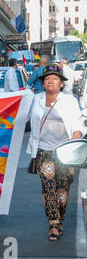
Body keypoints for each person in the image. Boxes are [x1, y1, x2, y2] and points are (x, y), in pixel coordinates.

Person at [26, 64, 83, 241]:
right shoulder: (35, 100)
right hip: (43, 151)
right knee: (48, 186)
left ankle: (60, 218)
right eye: (47, 79)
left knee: (63, 190)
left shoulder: (70, 101)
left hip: (66, 152)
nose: (50, 81)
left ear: (61, 83)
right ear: (43, 84)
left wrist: (76, 136)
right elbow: (19, 115)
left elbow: (78, 124)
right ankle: (53, 223)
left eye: (55, 79)